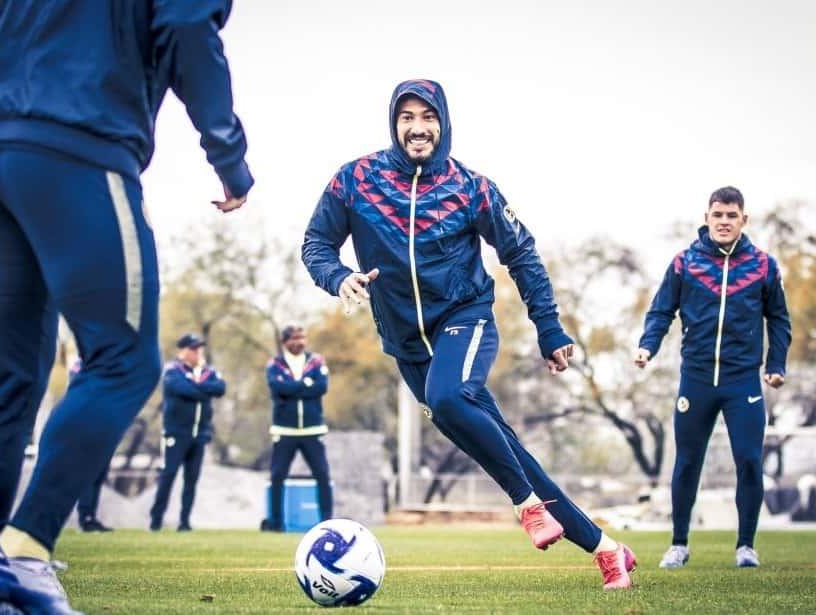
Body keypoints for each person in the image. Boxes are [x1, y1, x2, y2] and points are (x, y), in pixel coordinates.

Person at [302, 79, 635, 589]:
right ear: (394, 123)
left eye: (427, 116)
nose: (417, 127)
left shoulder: (470, 187)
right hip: (407, 343)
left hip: (466, 317)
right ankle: (608, 550)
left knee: (450, 395)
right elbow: (316, 243)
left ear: (443, 122)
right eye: (407, 117)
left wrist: (548, 327)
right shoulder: (356, 180)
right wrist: (338, 276)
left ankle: (526, 507)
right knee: (508, 452)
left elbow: (521, 252)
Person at [0, 1, 252, 611]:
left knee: (10, 376)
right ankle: (24, 552)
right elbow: (188, 24)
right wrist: (229, 157)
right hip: (78, 138)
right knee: (125, 362)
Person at [635, 186, 791, 569]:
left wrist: (776, 364)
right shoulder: (685, 263)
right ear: (706, 218)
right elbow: (661, 311)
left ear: (744, 220)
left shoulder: (763, 266)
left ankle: (746, 546)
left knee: (750, 461)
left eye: (731, 216)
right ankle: (679, 543)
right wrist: (647, 346)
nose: (724, 222)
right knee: (687, 462)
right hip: (697, 380)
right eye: (718, 215)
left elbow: (779, 319)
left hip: (743, 383)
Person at [150, 335, 226, 532]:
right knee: (169, 476)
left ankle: (184, 521)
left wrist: (197, 387)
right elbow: (182, 390)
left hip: (199, 434)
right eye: (194, 349)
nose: (198, 353)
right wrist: (203, 390)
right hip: (176, 433)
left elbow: (220, 388)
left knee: (191, 480)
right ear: (183, 350)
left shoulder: (208, 371)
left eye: (199, 349)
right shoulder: (172, 370)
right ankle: (156, 519)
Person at [262, 325, 333, 532]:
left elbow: (322, 387)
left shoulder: (316, 361)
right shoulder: (275, 363)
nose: (299, 342)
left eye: (302, 337)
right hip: (285, 431)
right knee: (277, 476)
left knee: (322, 475)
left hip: (312, 430)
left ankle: (327, 522)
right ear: (285, 342)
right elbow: (277, 388)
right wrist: (306, 384)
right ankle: (276, 523)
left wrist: (294, 386)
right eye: (294, 338)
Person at [68, 359, 113, 533]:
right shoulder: (80, 366)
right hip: (87, 423)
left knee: (100, 474)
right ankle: (85, 517)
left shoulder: (108, 362)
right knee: (88, 473)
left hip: (106, 424)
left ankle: (91, 516)